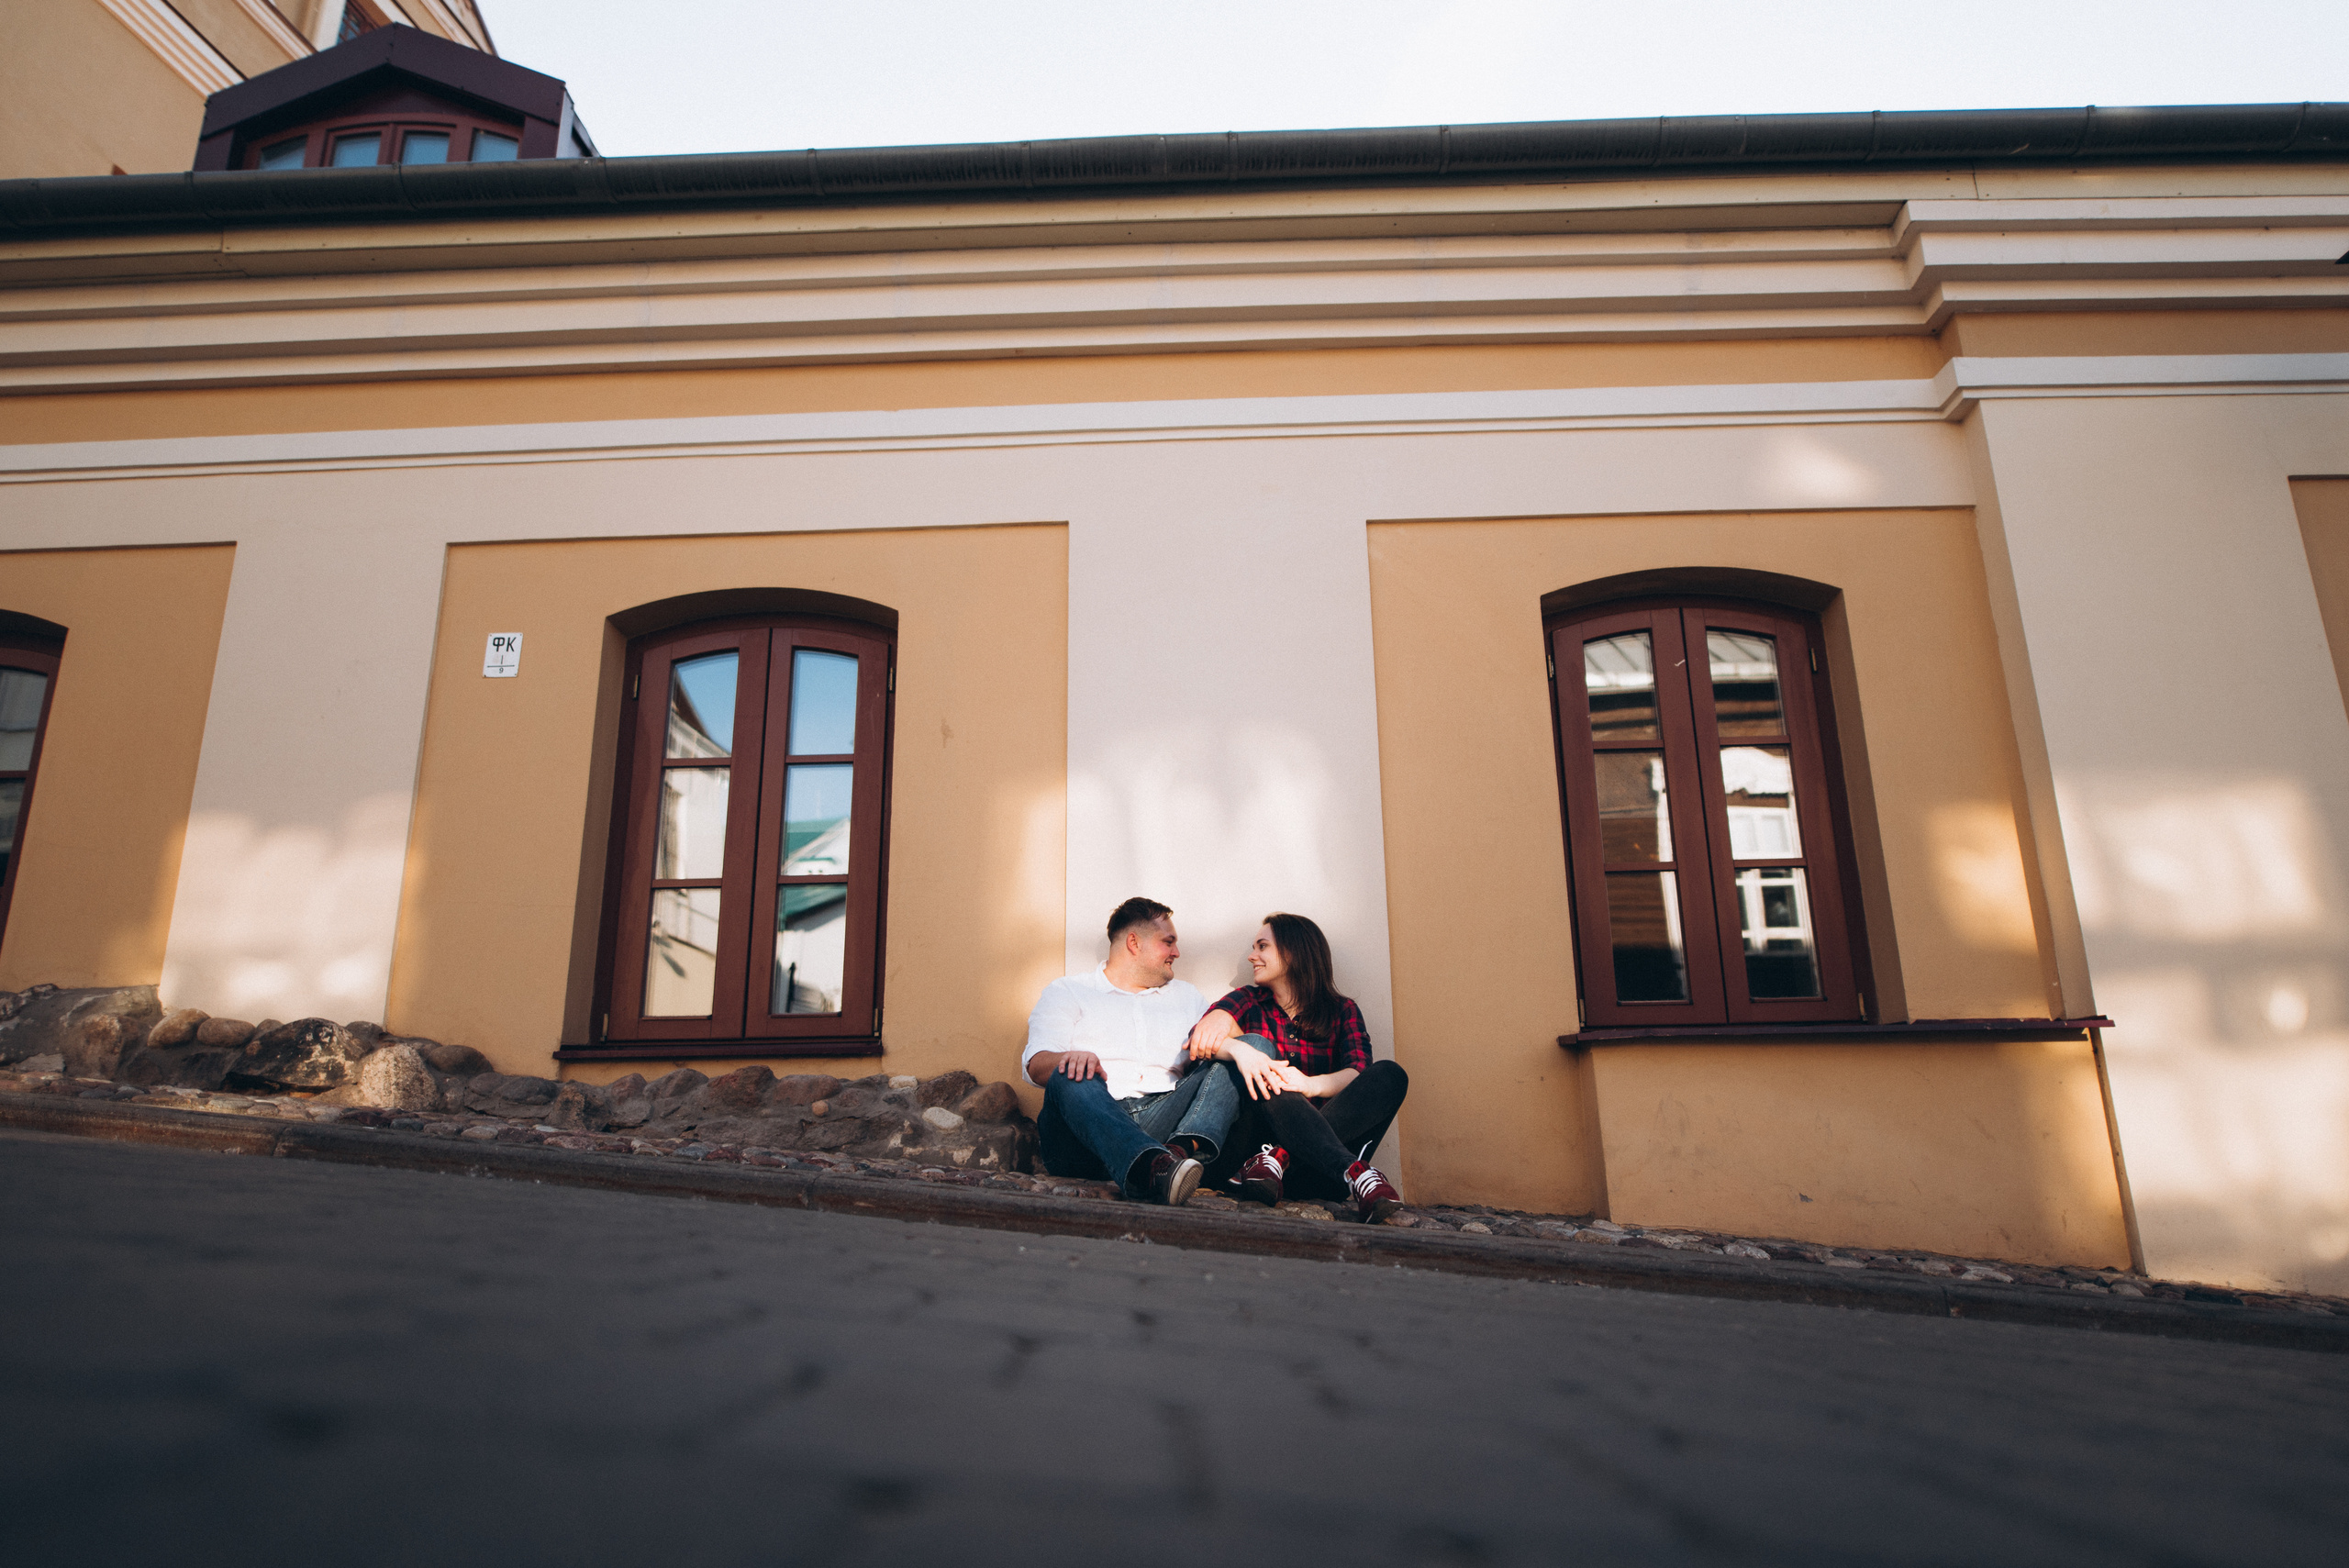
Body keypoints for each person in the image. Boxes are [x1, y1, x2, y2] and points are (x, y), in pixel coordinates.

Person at [1022, 897, 1264, 1206]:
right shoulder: (1068, 991)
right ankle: (1154, 1164)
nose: (1176, 952)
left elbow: (1217, 1063)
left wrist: (1236, 1045)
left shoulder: (1187, 997)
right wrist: (1070, 1058)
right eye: (1168, 942)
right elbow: (1036, 1065)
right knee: (1071, 1072)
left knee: (1251, 1046)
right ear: (1134, 943)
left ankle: (1169, 1159)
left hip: (1162, 1119)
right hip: (1086, 1132)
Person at [1185, 912, 1409, 1222]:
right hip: (1250, 1164)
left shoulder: (1341, 1010)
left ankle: (1283, 1157)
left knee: (1390, 1074)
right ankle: (1357, 1173)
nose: (1252, 956)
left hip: (1318, 1174)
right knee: (1272, 1077)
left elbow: (1359, 1072)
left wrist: (1309, 1084)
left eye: (1262, 946)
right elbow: (1198, 1042)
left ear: (1292, 953)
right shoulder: (1248, 1001)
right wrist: (1238, 1047)